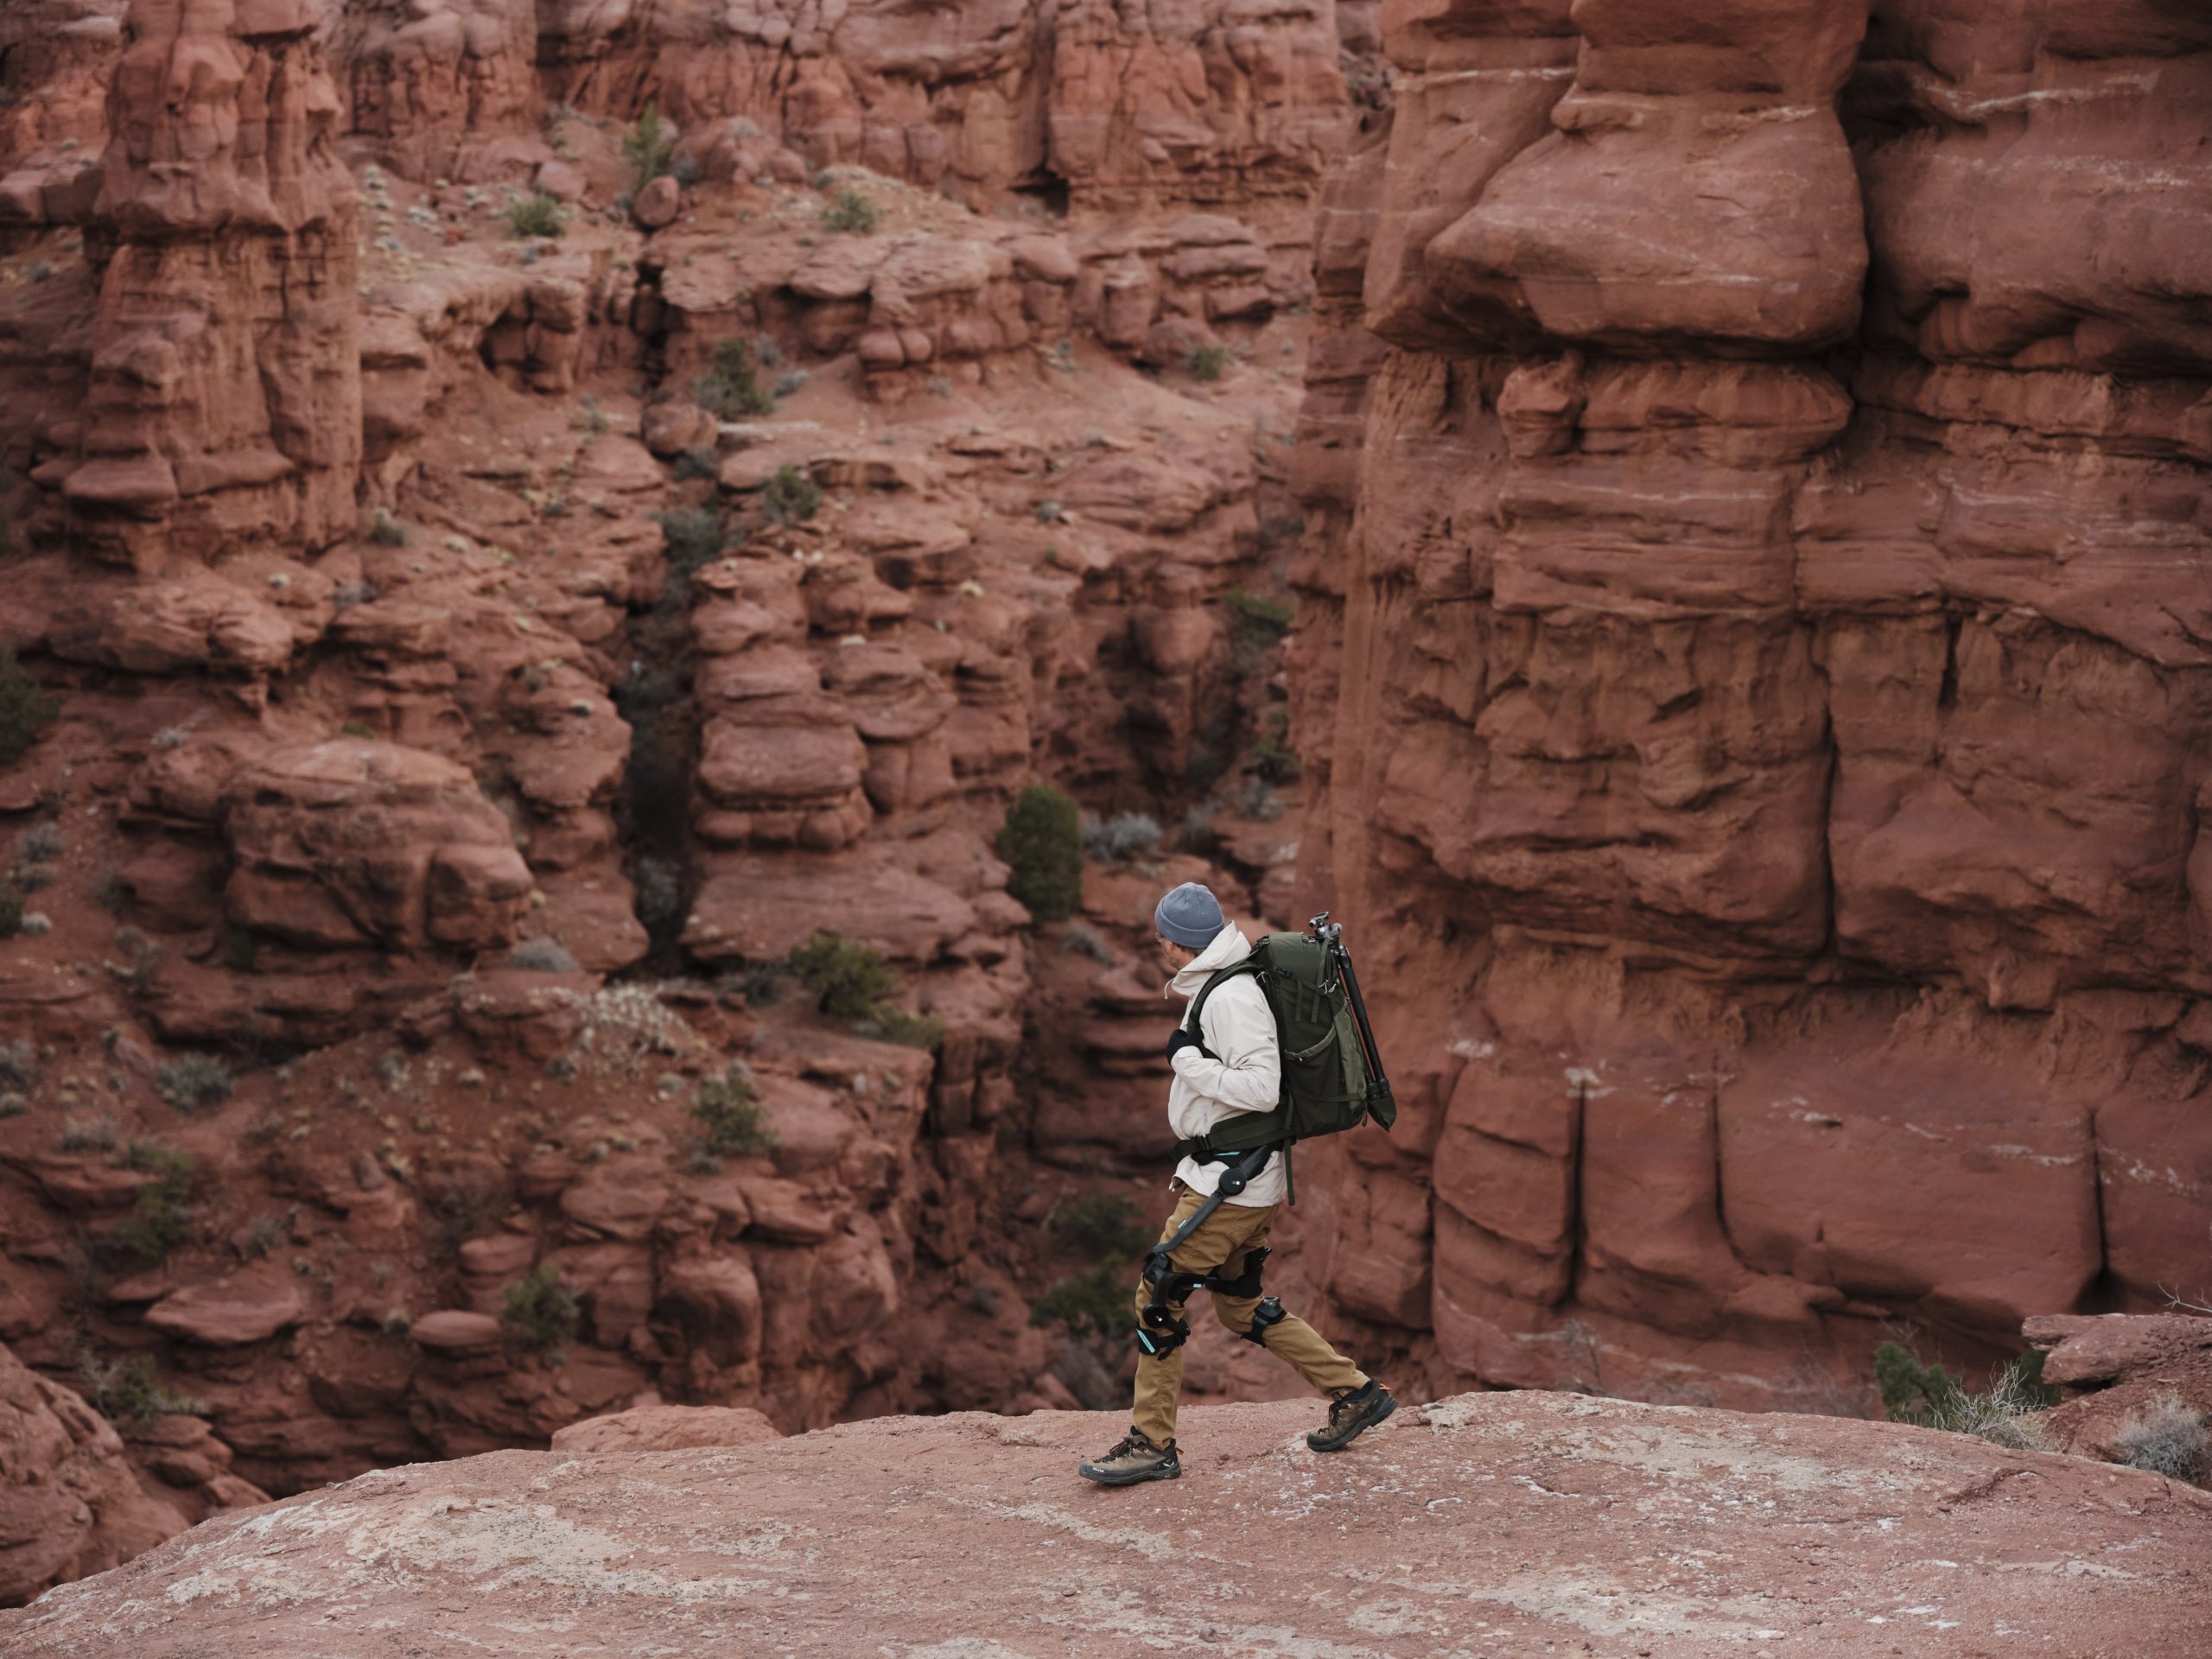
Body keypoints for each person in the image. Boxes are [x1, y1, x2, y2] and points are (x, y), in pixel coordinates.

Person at [1078, 881, 1395, 1485]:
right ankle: (1354, 1392)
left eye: (1161, 937)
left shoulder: (1230, 998)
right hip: (1241, 1174)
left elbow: (1260, 1088)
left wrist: (1184, 1059)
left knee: (1158, 1295)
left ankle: (1151, 1445)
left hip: (1231, 1182)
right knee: (1239, 1305)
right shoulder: (1219, 983)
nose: (1159, 947)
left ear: (1177, 942)